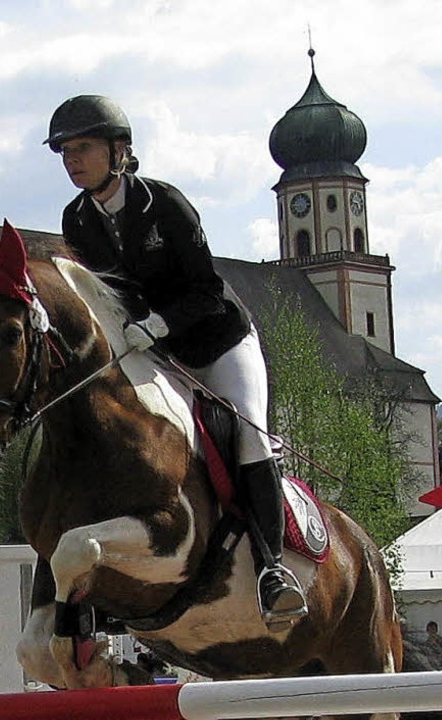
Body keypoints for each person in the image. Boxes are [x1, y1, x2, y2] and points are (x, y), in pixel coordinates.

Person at [44, 94, 307, 629]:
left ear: (120, 151)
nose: (73, 160)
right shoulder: (76, 220)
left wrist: (158, 324)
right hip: (155, 355)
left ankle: (272, 569)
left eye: (84, 148)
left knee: (249, 436)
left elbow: (207, 292)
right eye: (66, 152)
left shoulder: (166, 205)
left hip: (218, 344)